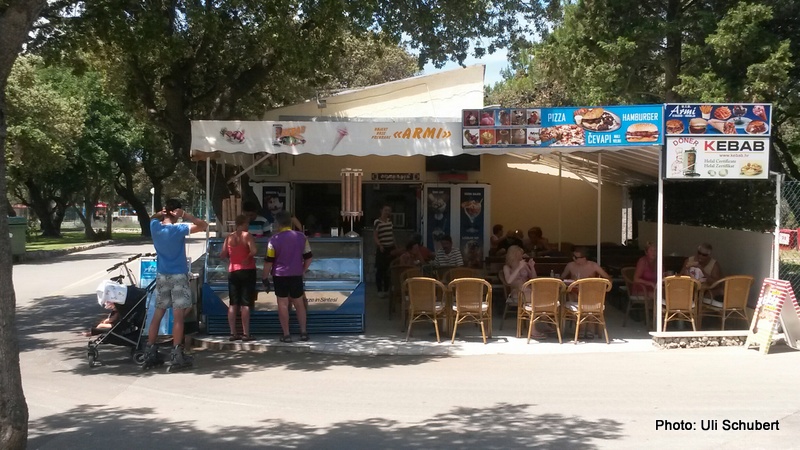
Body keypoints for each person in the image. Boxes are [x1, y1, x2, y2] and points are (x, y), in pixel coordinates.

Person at [144, 199, 208, 370]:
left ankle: (150, 350)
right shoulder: (179, 229)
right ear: (177, 212)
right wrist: (185, 215)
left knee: (158, 313)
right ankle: (176, 354)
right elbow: (203, 225)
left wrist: (162, 212)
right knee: (178, 316)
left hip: (162, 275)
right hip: (178, 275)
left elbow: (152, 217)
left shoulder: (155, 227)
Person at [263, 210, 313, 343]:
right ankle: (303, 332)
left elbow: (269, 261)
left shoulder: (273, 240)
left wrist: (264, 277)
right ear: (290, 222)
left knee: (283, 304)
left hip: (279, 275)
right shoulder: (302, 237)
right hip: (296, 274)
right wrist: (302, 270)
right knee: (299, 303)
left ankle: (286, 334)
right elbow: (308, 257)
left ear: (278, 223)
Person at [219, 214, 258, 342]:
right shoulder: (247, 236)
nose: (248, 226)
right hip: (247, 271)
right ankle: (246, 334)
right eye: (247, 223)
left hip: (233, 272)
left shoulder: (229, 237)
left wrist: (231, 258)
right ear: (243, 223)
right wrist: (247, 257)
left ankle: (233, 333)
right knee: (245, 303)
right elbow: (254, 251)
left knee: (233, 303)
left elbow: (222, 254)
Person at [502, 245, 546, 339]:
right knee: (536, 300)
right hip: (517, 293)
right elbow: (509, 281)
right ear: (514, 255)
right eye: (520, 254)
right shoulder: (507, 267)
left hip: (529, 291)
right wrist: (518, 268)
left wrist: (532, 267)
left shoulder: (524, 265)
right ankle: (534, 329)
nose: (522, 256)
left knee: (542, 298)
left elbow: (534, 279)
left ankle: (543, 323)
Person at [373, 204, 396, 298]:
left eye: (389, 211)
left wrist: (395, 246)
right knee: (380, 269)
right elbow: (375, 236)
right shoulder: (377, 222)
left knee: (388, 269)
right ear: (381, 211)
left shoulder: (390, 221)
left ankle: (386, 290)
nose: (387, 212)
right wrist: (379, 245)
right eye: (385, 210)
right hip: (382, 248)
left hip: (391, 248)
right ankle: (379, 290)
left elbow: (392, 234)